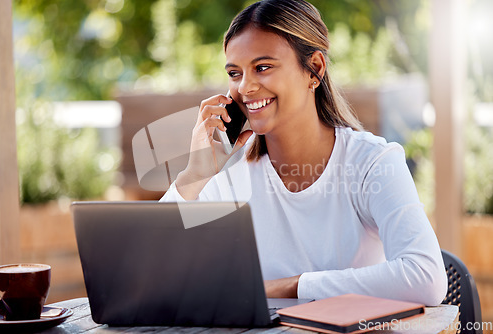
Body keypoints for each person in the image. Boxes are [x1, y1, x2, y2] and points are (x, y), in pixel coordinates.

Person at [160, 0, 447, 306]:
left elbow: (425, 277)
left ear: (315, 69)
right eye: (234, 73)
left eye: (262, 67)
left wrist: (292, 286)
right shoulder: (228, 172)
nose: (245, 87)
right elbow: (150, 266)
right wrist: (195, 175)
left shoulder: (371, 162)